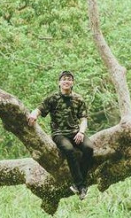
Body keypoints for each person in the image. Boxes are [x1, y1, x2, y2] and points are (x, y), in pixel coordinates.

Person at [27, 70, 93, 199]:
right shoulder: (53, 98)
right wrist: (33, 114)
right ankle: (81, 185)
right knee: (69, 150)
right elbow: (40, 108)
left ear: (72, 82)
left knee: (89, 148)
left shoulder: (78, 99)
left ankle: (78, 184)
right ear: (59, 82)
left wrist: (81, 132)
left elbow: (84, 119)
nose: (66, 81)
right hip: (59, 134)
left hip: (75, 133)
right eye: (64, 79)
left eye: (69, 79)